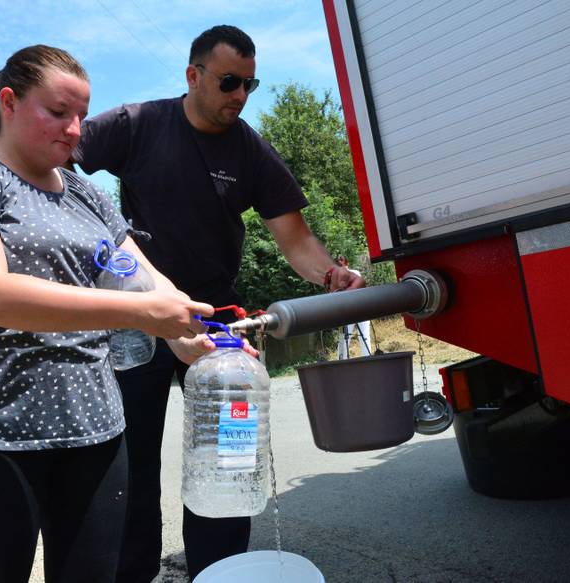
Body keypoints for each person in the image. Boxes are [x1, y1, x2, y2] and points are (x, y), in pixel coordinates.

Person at [73, 25, 365, 581]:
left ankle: (222, 569)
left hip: (218, 320)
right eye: (230, 82)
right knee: (130, 462)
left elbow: (296, 238)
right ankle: (132, 572)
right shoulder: (138, 125)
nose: (240, 96)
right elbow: (59, 158)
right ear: (194, 75)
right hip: (138, 317)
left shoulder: (249, 148)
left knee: (231, 456)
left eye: (250, 86)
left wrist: (330, 273)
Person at [0, 44, 214, 583]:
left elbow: (137, 272)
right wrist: (142, 311)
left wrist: (182, 330)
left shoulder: (85, 192)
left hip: (95, 430)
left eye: (80, 115)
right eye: (58, 113)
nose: (76, 129)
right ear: (8, 103)